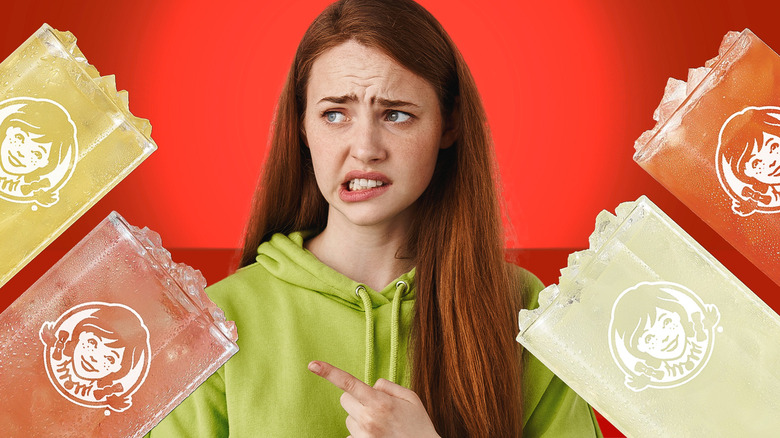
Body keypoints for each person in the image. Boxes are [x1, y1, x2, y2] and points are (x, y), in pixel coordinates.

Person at [149, 0, 602, 436]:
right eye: (334, 114)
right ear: (302, 126)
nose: (365, 148)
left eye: (397, 115)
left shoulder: (520, 307)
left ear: (449, 125)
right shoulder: (217, 320)